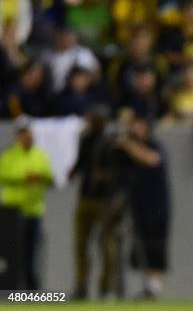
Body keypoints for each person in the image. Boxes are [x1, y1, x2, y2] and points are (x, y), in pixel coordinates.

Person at [69, 106, 125, 299]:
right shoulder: (86, 139)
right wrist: (73, 171)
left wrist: (106, 177)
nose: (90, 123)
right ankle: (81, 285)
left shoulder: (113, 142)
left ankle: (105, 287)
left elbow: (121, 173)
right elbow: (81, 162)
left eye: (94, 120)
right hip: (86, 197)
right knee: (80, 245)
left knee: (107, 245)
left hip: (106, 200)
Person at [115, 112, 170, 299]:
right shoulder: (127, 151)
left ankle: (154, 285)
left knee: (155, 245)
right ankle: (148, 285)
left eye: (138, 124)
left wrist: (127, 143)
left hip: (157, 205)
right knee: (141, 247)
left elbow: (152, 159)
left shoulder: (153, 145)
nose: (135, 128)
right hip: (138, 205)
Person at [0, 117, 53, 290]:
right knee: (11, 252)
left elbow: (49, 177)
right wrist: (24, 178)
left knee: (31, 252)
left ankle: (31, 290)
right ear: (18, 136)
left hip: (34, 210)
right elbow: (3, 176)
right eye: (23, 133)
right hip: (12, 211)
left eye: (29, 132)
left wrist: (40, 177)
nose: (27, 136)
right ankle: (10, 288)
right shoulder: (9, 155)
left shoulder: (40, 155)